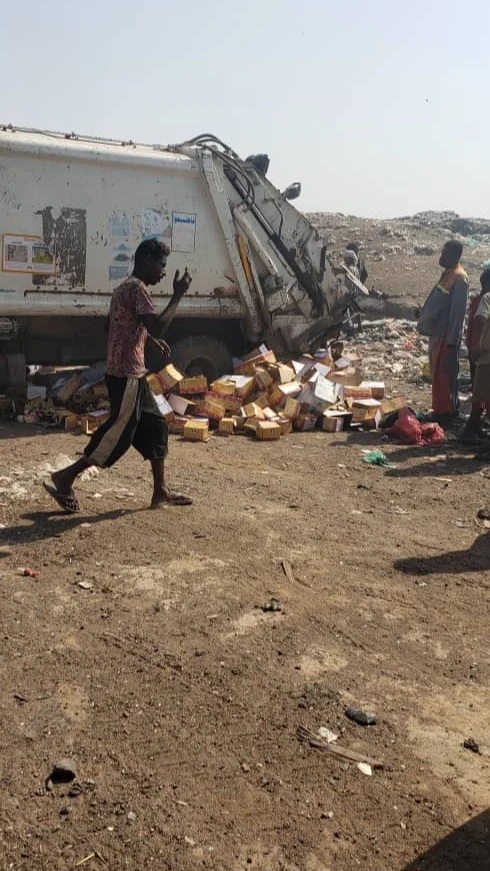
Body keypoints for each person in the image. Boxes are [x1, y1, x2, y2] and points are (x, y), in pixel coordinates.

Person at [44, 238, 193, 513]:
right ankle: (65, 477)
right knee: (117, 434)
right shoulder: (137, 289)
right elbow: (157, 326)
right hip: (126, 376)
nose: (163, 271)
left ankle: (160, 491)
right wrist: (178, 295)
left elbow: (113, 326)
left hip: (133, 374)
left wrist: (146, 340)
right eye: (161, 265)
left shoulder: (122, 289)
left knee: (157, 425)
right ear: (146, 261)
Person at [417, 240, 468, 421]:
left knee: (445, 374)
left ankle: (447, 413)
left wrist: (453, 341)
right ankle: (440, 410)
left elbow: (457, 314)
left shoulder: (459, 278)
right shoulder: (448, 275)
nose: (442, 256)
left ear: (455, 255)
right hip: (438, 334)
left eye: (445, 253)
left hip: (447, 336)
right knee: (438, 374)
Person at [460, 268, 490, 443]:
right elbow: (479, 321)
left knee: (481, 396)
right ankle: (471, 430)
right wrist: (478, 346)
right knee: (480, 397)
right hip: (484, 358)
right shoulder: (485, 299)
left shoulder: (481, 299)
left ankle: (473, 428)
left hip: (482, 357)